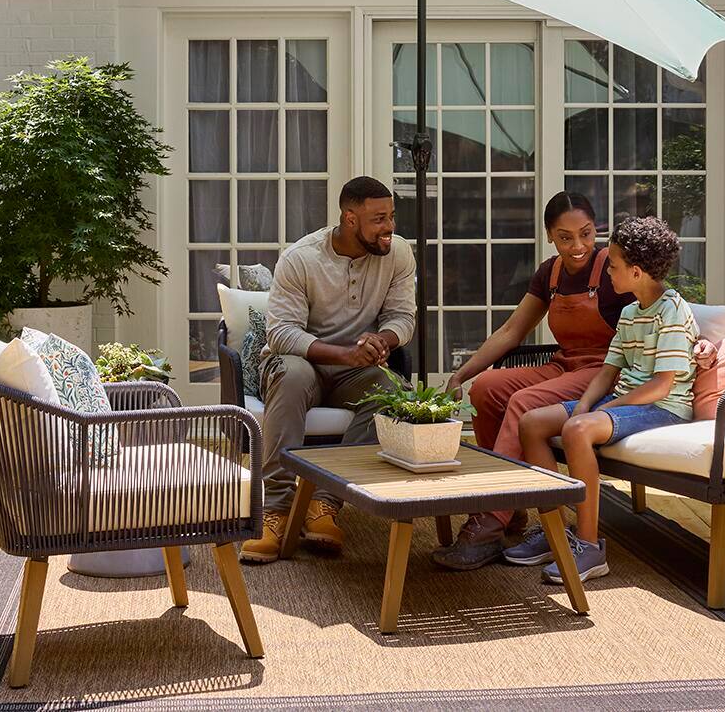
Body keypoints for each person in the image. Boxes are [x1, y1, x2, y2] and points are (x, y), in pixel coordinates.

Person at [431, 192, 635, 571]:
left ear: (597, 230)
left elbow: (653, 312)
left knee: (525, 401)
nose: (578, 246)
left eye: (586, 234)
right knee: (487, 389)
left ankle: (490, 521)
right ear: (549, 236)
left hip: (606, 372)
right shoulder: (550, 273)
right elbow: (511, 331)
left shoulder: (613, 269)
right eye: (565, 237)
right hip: (565, 366)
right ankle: (514, 507)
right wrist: (462, 373)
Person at [239, 176, 416, 564]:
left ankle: (324, 504)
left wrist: (382, 342)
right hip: (302, 361)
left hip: (355, 369)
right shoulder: (301, 258)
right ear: (350, 219)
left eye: (391, 217)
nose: (389, 228)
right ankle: (277, 510)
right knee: (292, 375)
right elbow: (282, 333)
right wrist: (343, 354)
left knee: (392, 390)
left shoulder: (398, 253)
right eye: (379, 219)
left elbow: (402, 317)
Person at [514, 216, 700, 584]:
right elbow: (607, 370)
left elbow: (663, 386)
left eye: (612, 265)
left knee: (578, 431)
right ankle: (557, 532)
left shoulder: (673, 311)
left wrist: (604, 410)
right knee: (532, 423)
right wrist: (584, 405)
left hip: (663, 410)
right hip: (625, 402)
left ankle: (589, 547)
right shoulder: (631, 313)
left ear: (635, 272)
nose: (607, 272)